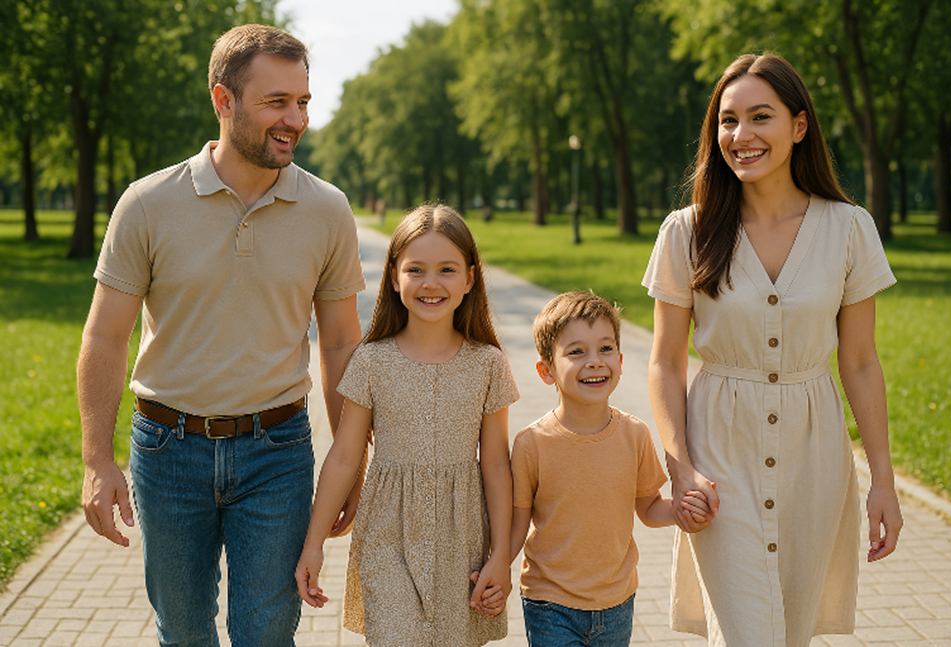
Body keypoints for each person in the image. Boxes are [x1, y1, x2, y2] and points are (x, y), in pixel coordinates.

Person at [77, 24, 366, 646]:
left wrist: (350, 458)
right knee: (182, 632)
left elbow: (343, 342)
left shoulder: (327, 210)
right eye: (277, 102)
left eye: (304, 102)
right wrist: (98, 460)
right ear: (223, 100)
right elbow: (105, 336)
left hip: (277, 451)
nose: (296, 119)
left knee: (266, 634)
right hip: (167, 449)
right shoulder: (147, 203)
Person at [642, 53, 903, 647]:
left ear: (799, 125)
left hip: (814, 451)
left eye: (761, 117)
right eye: (728, 121)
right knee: (746, 632)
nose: (742, 136)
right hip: (719, 452)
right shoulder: (686, 230)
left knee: (790, 632)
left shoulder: (849, 228)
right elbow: (664, 361)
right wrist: (681, 466)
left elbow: (860, 361)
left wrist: (883, 480)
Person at [294, 204, 518, 647]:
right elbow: (344, 455)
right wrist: (313, 542)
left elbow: (495, 466)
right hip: (386, 537)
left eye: (447, 269)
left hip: (463, 542)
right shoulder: (372, 361)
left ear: (470, 279)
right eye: (416, 269)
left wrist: (502, 557)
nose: (431, 283)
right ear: (394, 278)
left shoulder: (489, 364)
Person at [495, 290, 712, 647]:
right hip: (550, 601)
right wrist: (497, 567)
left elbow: (648, 508)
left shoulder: (635, 435)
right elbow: (518, 523)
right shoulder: (531, 443)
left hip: (617, 601)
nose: (594, 361)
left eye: (605, 349)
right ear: (546, 371)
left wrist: (679, 509)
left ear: (622, 361)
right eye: (577, 352)